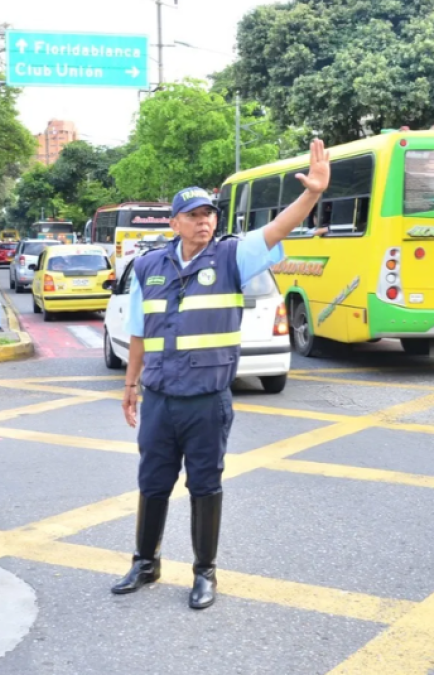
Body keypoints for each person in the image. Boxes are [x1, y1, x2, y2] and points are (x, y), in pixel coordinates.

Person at [112, 139, 332, 610]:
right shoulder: (148, 266)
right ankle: (145, 562)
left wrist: (311, 195)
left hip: (207, 399)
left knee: (205, 485)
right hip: (159, 398)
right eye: (193, 215)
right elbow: (137, 332)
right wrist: (130, 386)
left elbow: (273, 231)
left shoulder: (232, 256)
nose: (204, 221)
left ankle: (204, 572)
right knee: (152, 482)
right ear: (174, 223)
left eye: (209, 213)